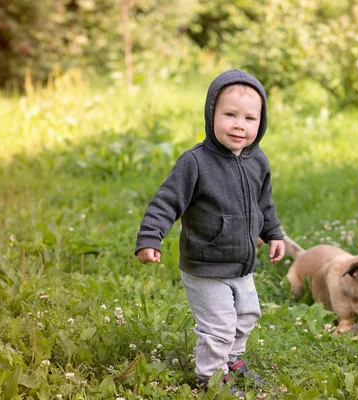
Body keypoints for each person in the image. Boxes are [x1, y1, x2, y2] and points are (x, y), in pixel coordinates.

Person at [135, 69, 285, 393]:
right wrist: (150, 237)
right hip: (205, 266)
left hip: (242, 264)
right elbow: (166, 202)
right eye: (229, 114)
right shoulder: (195, 162)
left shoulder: (258, 161)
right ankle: (210, 379)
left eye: (249, 118)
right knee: (218, 326)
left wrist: (274, 234)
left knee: (247, 315)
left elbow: (264, 202)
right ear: (211, 114)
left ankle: (231, 362)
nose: (238, 125)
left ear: (261, 123)